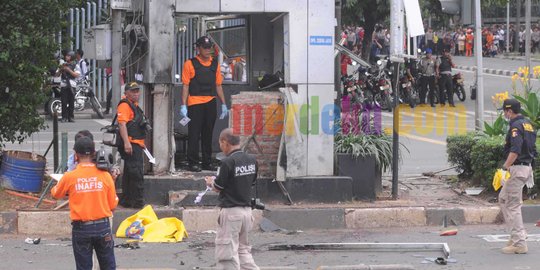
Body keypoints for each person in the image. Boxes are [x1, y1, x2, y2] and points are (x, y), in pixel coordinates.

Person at [51, 136, 118, 270]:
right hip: (103, 227)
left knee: (83, 267)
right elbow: (112, 205)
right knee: (108, 266)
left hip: (81, 229)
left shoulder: (70, 176)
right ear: (94, 153)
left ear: (76, 155)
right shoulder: (105, 176)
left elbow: (55, 194)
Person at [204, 128, 259, 270]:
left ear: (225, 142)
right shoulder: (252, 160)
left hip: (231, 212)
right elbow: (251, 182)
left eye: (220, 144)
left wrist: (210, 182)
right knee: (243, 251)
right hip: (247, 212)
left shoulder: (227, 162)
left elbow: (218, 187)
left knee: (227, 255)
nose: (221, 147)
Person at [181, 36, 228, 172]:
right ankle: (193, 162)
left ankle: (207, 162)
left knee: (208, 133)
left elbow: (218, 86)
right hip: (195, 103)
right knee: (194, 134)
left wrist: (224, 104)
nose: (208, 50)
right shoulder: (190, 64)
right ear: (198, 48)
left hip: (210, 102)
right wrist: (184, 105)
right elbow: (185, 86)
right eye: (205, 48)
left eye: (210, 48)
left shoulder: (215, 65)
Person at [499, 99, 537, 254]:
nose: (504, 114)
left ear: (509, 111)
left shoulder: (515, 126)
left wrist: (505, 167)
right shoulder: (527, 124)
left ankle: (519, 243)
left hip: (518, 168)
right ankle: (516, 234)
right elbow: (533, 149)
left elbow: (515, 150)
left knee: (512, 204)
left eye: (505, 111)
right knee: (503, 198)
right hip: (526, 167)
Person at [117, 81, 148, 209]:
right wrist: (127, 143)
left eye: (137, 91)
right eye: (133, 91)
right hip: (131, 144)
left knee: (130, 173)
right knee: (136, 174)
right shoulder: (125, 105)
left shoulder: (134, 105)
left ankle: (127, 200)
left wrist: (141, 144)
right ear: (126, 93)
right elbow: (122, 125)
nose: (136, 94)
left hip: (136, 143)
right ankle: (138, 202)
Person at [58, 50, 81, 122]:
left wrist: (68, 70)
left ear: (72, 57)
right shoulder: (63, 65)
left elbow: (77, 75)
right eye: (66, 56)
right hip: (64, 85)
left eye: (68, 56)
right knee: (64, 102)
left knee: (71, 102)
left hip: (72, 86)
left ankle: (71, 117)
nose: (66, 57)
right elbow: (57, 75)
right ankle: (64, 117)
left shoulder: (75, 65)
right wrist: (61, 70)